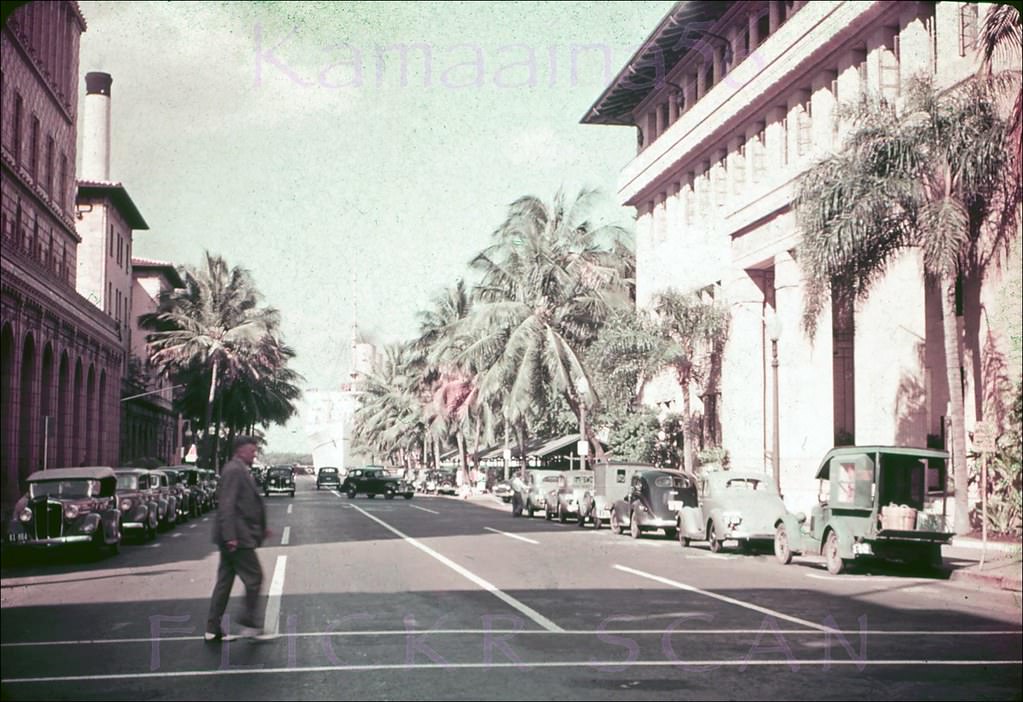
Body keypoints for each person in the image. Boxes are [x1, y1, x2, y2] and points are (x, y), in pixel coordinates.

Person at [205, 436, 273, 642]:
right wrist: (231, 536)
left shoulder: (237, 469)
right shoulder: (235, 470)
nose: (254, 454)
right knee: (254, 578)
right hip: (237, 537)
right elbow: (227, 505)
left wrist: (261, 527)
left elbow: (245, 504)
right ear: (240, 450)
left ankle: (212, 628)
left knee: (224, 582)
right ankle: (250, 624)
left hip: (235, 535)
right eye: (252, 451)